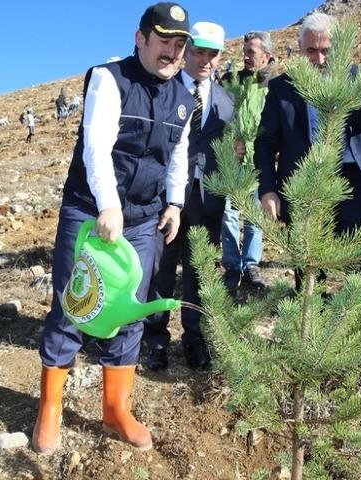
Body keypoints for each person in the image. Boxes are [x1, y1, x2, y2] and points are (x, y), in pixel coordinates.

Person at [32, 2, 192, 454]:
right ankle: (50, 409)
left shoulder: (183, 96)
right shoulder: (109, 78)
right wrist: (108, 206)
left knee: (129, 311)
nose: (172, 52)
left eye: (179, 45)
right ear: (140, 38)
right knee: (74, 303)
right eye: (164, 41)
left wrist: (175, 203)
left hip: (144, 218)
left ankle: (115, 410)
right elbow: (96, 147)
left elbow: (177, 156)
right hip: (91, 211)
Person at [254, 11, 361, 297]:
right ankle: (312, 333)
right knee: (309, 273)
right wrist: (268, 190)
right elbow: (265, 143)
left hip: (352, 185)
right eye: (311, 50)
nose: (320, 60)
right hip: (302, 188)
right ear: (299, 48)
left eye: (326, 51)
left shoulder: (360, 79)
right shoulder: (281, 88)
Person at [144, 21, 233, 372]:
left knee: (200, 272)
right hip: (166, 199)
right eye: (199, 52)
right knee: (161, 271)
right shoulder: (163, 89)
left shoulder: (226, 101)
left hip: (208, 200)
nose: (206, 60)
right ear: (186, 50)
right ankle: (155, 340)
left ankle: (194, 338)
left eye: (213, 54)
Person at [218, 31, 274, 294]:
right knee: (229, 213)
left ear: (267, 55)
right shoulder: (231, 81)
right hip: (233, 159)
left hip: (258, 160)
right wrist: (230, 142)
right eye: (245, 51)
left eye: (251, 51)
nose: (246, 56)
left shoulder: (272, 86)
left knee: (254, 216)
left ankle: (251, 265)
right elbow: (220, 117)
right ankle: (231, 266)